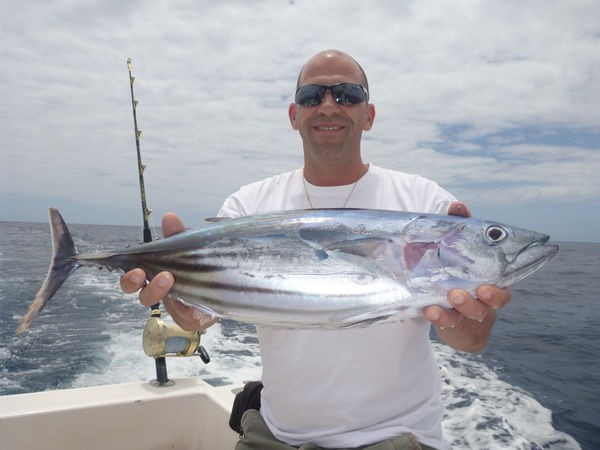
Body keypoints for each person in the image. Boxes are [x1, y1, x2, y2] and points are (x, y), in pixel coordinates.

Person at [120, 49, 511, 450]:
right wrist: (188, 309)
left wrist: (462, 317)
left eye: (347, 94)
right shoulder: (248, 205)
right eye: (311, 96)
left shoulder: (426, 202)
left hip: (394, 438)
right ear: (294, 115)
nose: (328, 106)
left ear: (369, 115)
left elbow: (471, 341)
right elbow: (201, 317)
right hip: (273, 437)